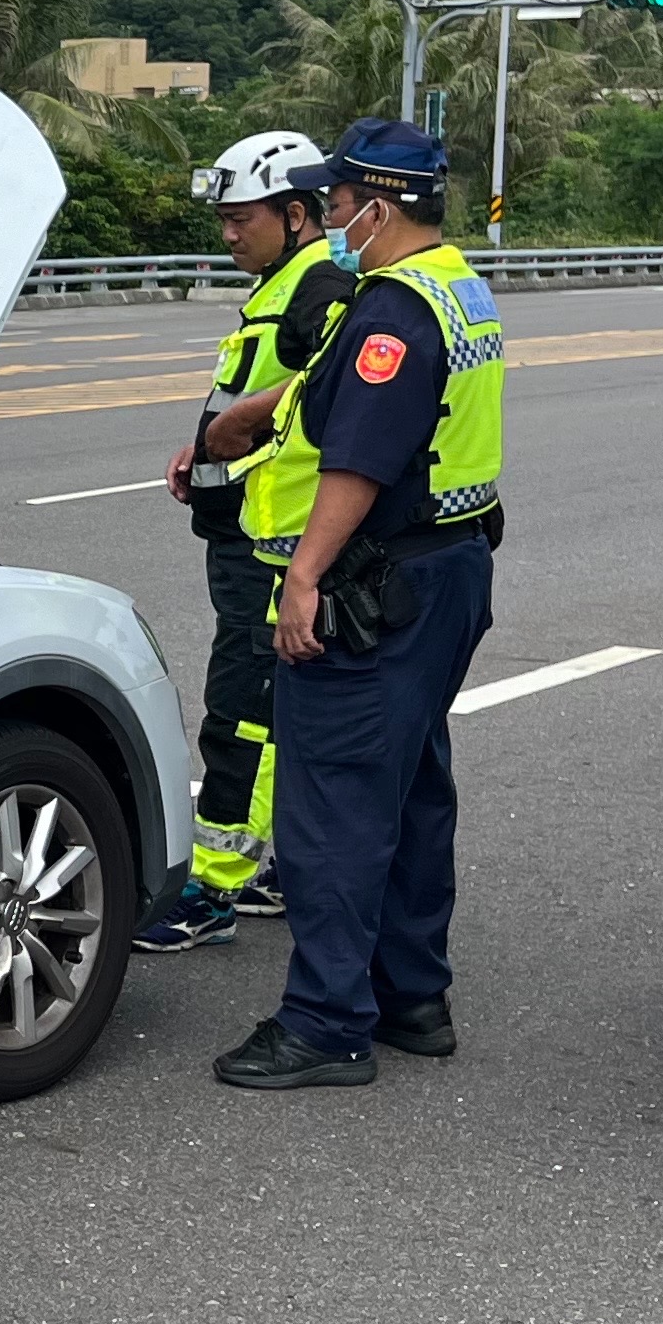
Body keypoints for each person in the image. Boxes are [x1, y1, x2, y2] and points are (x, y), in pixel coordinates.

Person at [212, 118, 506, 1091]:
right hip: (448, 568)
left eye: (338, 204)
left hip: (377, 583)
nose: (331, 220)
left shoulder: (393, 312)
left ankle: (327, 1022)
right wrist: (260, 413)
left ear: (377, 208)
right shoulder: (455, 285)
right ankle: (412, 998)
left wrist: (303, 577)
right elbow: (357, 401)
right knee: (412, 789)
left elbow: (362, 457)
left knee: (334, 802)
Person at [133, 129, 354, 954]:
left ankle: (215, 887)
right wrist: (203, 447)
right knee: (278, 711)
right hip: (246, 527)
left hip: (275, 544)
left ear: (295, 215)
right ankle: (288, 864)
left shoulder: (321, 289)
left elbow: (340, 384)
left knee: (243, 713)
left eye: (241, 219)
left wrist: (246, 422)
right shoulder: (282, 286)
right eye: (223, 220)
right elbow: (261, 392)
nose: (228, 234)